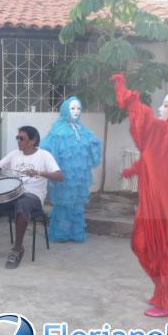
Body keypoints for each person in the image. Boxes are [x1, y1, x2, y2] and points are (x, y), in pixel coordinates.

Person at [113, 73, 168, 318]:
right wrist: (135, 169)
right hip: (156, 203)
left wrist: (127, 94)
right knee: (142, 245)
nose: (159, 109)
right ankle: (163, 290)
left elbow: (145, 121)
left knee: (153, 249)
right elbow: (154, 159)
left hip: (162, 207)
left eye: (164, 105)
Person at [0, 126, 65, 269]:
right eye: (17, 138)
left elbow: (60, 176)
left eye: (21, 138)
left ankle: (18, 249)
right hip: (12, 196)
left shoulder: (44, 155)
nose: (18, 141)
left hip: (32, 197)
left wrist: (40, 173)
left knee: (23, 203)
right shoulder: (15, 154)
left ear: (33, 140)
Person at [39, 96, 102, 242]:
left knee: (78, 204)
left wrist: (94, 146)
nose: (76, 111)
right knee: (63, 204)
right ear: (65, 109)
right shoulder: (58, 130)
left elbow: (93, 149)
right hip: (64, 175)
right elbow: (47, 150)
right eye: (72, 108)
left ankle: (76, 231)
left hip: (80, 177)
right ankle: (61, 232)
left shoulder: (84, 130)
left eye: (78, 108)